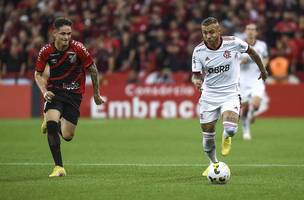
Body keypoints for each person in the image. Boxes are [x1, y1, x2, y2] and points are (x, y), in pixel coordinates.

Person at [191, 17, 267, 176]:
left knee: (231, 129)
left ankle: (227, 136)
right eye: (205, 33)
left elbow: (252, 52)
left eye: (211, 32)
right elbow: (196, 75)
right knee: (208, 137)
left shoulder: (233, 42)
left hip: (230, 93)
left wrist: (263, 70)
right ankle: (214, 164)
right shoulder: (198, 51)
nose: (208, 36)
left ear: (219, 31)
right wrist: (197, 81)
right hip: (209, 96)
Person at [34, 17, 104, 177]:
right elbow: (37, 74)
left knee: (67, 136)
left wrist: (96, 94)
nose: (66, 37)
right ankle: (58, 167)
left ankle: (54, 121)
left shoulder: (78, 48)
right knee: (52, 125)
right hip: (54, 92)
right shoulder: (46, 51)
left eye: (69, 34)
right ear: (54, 34)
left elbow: (93, 70)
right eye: (63, 34)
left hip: (74, 95)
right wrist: (44, 91)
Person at [240, 23, 269, 140]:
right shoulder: (239, 45)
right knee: (245, 108)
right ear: (245, 31)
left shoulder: (262, 45)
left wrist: (263, 67)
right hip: (242, 80)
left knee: (256, 105)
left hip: (257, 79)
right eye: (248, 29)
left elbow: (266, 57)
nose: (251, 31)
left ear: (256, 32)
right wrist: (242, 60)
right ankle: (246, 129)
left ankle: (253, 113)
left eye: (253, 29)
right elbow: (233, 60)